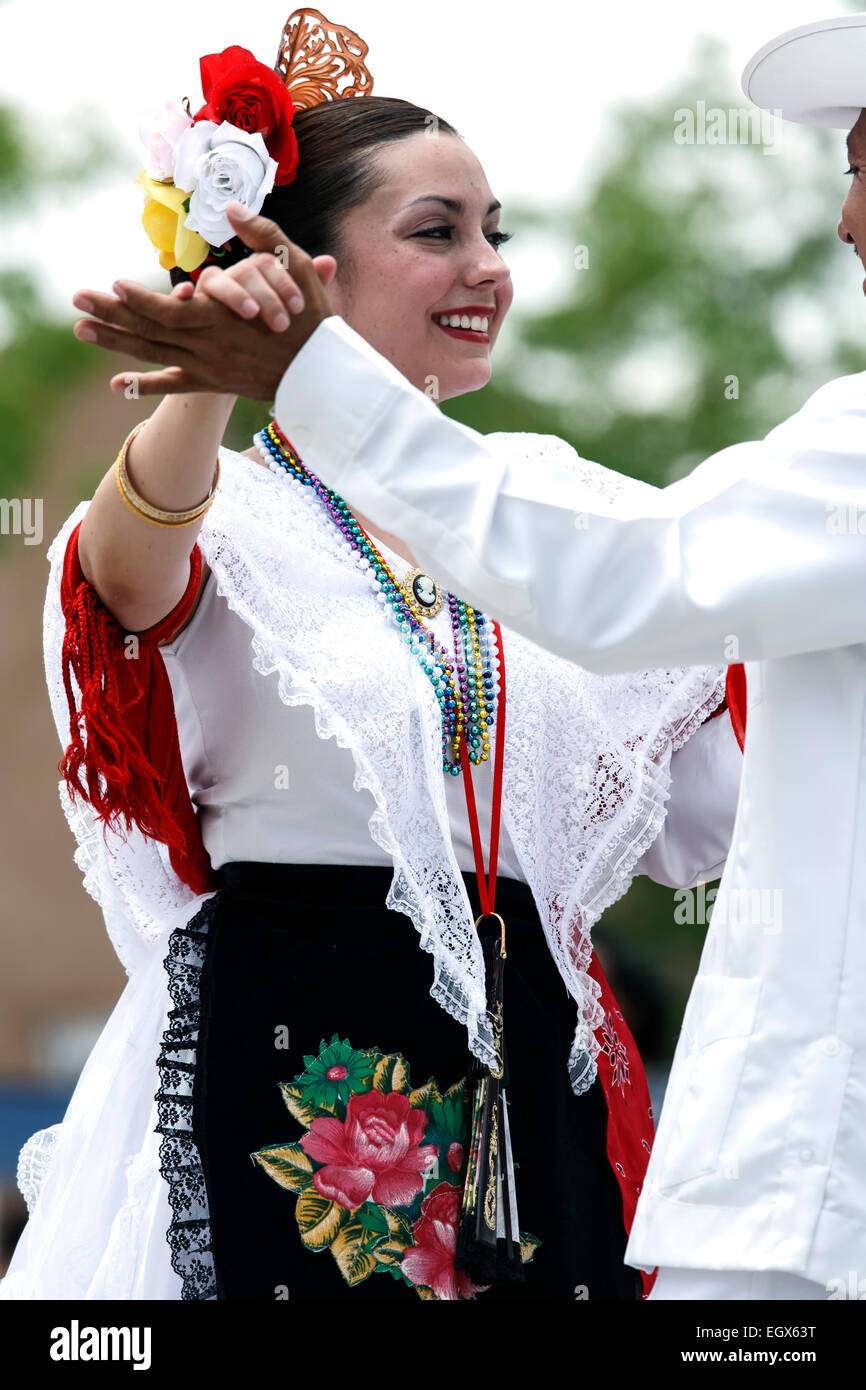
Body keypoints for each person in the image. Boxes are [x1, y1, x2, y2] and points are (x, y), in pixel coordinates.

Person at [64, 12, 866, 1304]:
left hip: (531, 1070)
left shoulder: (557, 500)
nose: (486, 266)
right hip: (300, 1060)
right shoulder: (232, 503)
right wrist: (215, 350)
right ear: (304, 267)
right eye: (437, 231)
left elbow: (716, 779)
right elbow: (126, 576)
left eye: (498, 230)